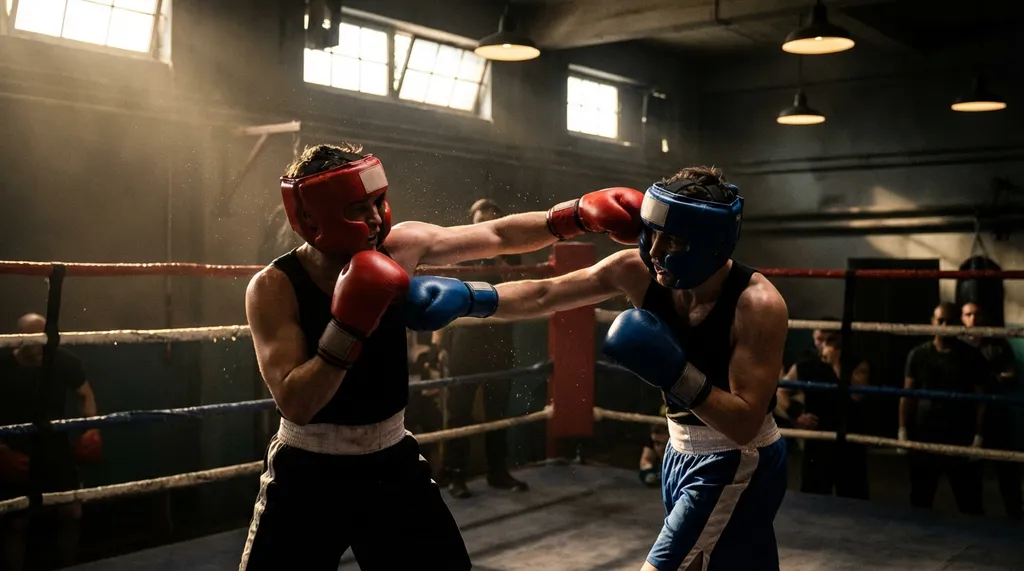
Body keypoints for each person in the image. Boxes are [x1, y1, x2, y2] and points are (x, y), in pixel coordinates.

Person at [239, 142, 642, 570]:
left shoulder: (399, 246)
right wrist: (349, 326)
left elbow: (498, 235)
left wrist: (575, 216)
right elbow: (297, 403)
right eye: (358, 210)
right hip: (308, 470)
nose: (376, 219)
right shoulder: (274, 287)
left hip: (389, 458)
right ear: (311, 219)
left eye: (378, 203)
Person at [405, 166, 790, 571]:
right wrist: (471, 299)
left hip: (735, 459)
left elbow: (745, 424)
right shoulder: (636, 271)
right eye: (651, 233)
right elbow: (545, 294)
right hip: (679, 451)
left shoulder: (757, 305)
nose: (655, 251)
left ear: (711, 244)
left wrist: (675, 373)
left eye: (672, 240)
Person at [437, 198, 528, 498]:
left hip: (499, 343)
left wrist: (497, 252)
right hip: (463, 344)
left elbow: (518, 286)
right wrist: (441, 343)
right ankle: (456, 476)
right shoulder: (457, 254)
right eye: (478, 223)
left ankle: (497, 472)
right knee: (459, 412)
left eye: (490, 222)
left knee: (497, 412)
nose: (483, 228)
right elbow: (442, 294)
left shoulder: (511, 256)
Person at [0, 313, 101, 571]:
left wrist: (90, 428)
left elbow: (86, 394)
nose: (40, 350)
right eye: (33, 343)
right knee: (14, 523)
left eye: (44, 342)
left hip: (55, 446)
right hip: (14, 448)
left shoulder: (61, 360)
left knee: (71, 513)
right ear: (18, 342)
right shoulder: (2, 366)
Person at [899, 301, 988, 515]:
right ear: (932, 322)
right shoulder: (918, 355)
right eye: (941, 321)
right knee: (921, 494)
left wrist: (979, 436)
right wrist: (902, 430)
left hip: (960, 432)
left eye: (950, 321)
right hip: (925, 431)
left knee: (969, 498)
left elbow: (981, 399)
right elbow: (907, 395)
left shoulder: (971, 356)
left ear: (958, 323)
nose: (945, 326)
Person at [780, 322, 870, 499]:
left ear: (840, 340)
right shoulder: (804, 365)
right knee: (813, 498)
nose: (824, 344)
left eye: (831, 339)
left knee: (854, 499)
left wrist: (836, 364)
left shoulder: (856, 362)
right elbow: (780, 391)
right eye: (820, 339)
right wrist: (796, 415)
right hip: (818, 437)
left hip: (849, 436)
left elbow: (857, 395)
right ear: (814, 339)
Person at [962, 302, 1022, 520]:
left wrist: (985, 380)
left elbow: (1012, 374)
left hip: (996, 414)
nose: (973, 319)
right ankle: (973, 515)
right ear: (962, 318)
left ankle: (1015, 516)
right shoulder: (959, 346)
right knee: (970, 471)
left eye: (976, 314)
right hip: (969, 416)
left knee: (1006, 471)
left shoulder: (997, 344)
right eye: (968, 314)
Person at [639, 408, 669, 488]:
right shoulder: (654, 436)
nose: (659, 448)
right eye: (657, 443)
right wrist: (648, 471)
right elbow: (646, 459)